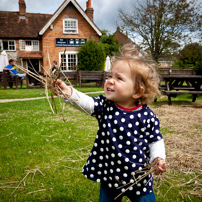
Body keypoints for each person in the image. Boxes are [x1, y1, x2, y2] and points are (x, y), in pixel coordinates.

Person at [56, 43, 166, 202]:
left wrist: (158, 158)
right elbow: (86, 102)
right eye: (109, 76)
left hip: (139, 177)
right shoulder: (105, 107)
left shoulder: (147, 116)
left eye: (119, 78)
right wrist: (69, 93)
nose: (110, 81)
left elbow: (155, 140)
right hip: (110, 174)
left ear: (137, 91)